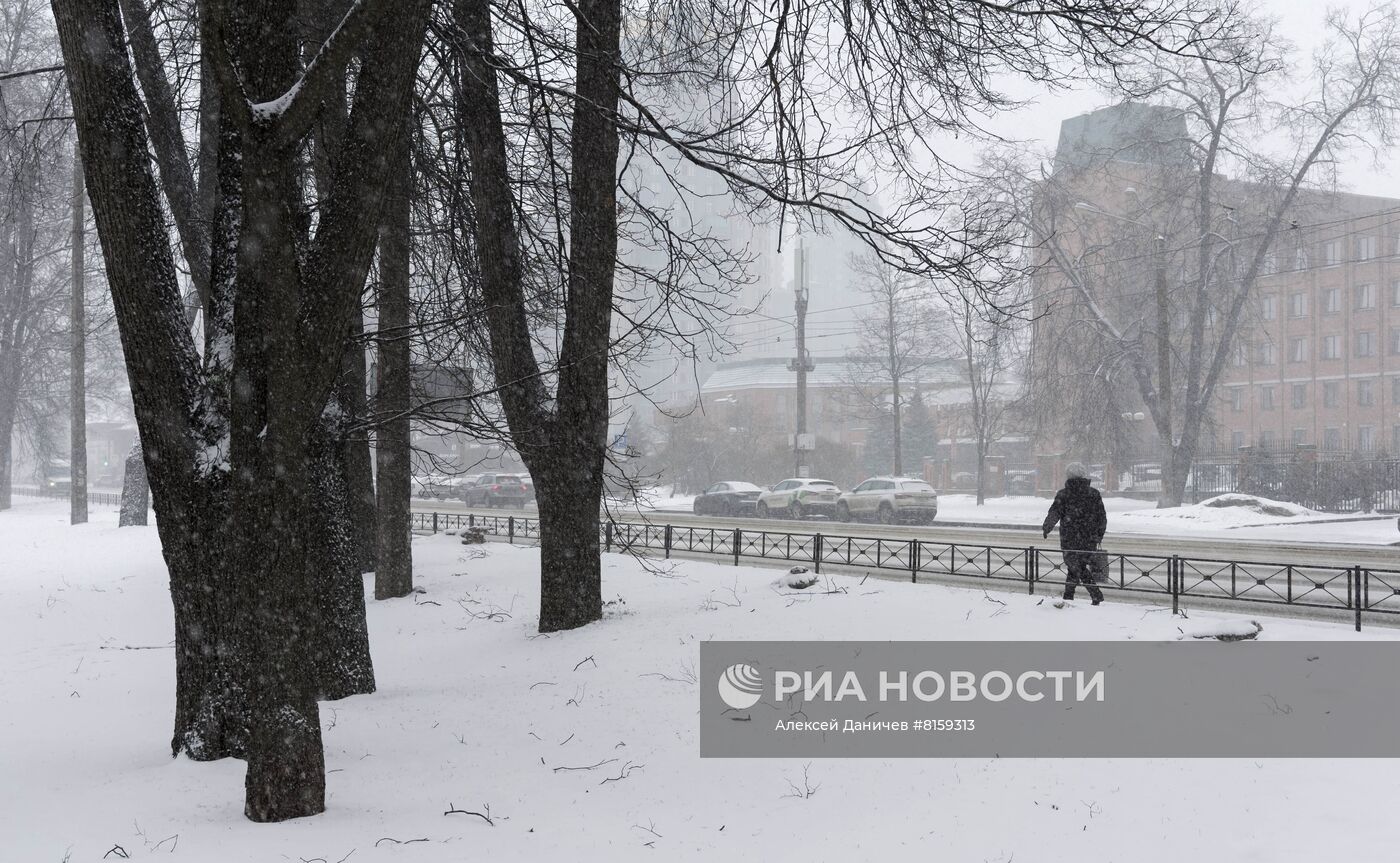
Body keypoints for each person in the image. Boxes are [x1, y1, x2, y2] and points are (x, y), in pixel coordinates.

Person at [1041, 462, 1107, 605]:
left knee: (1076, 567)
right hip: (1089, 539)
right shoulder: (1093, 494)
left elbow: (1054, 513)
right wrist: (1098, 535)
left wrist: (1047, 527)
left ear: (1068, 476)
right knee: (1076, 567)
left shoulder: (1064, 494)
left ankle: (1093, 594)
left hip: (1069, 538)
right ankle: (1071, 596)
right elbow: (1101, 517)